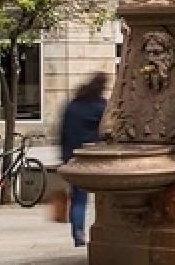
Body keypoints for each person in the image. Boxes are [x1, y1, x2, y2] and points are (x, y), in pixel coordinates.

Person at [61, 72, 108, 247]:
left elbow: (63, 132)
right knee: (105, 197)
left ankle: (78, 233)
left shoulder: (73, 105)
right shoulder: (101, 106)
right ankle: (104, 228)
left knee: (79, 198)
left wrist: (64, 158)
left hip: (75, 157)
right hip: (98, 158)